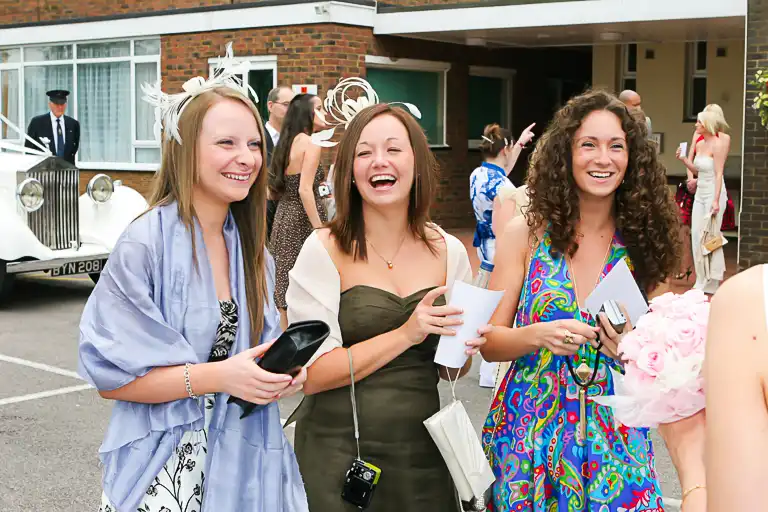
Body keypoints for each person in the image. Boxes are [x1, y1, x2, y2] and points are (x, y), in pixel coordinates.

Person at [78, 58, 309, 512]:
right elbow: (111, 379)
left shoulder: (250, 248)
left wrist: (276, 373)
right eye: (226, 143)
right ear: (185, 151)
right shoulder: (145, 242)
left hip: (240, 458)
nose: (247, 158)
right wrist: (219, 377)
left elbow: (251, 353)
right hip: (163, 466)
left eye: (254, 144)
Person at [481, 89, 681, 511]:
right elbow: (489, 341)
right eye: (588, 144)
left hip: (617, 443)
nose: (603, 159)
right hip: (529, 437)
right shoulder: (525, 234)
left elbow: (667, 359)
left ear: (632, 158)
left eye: (616, 146)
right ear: (565, 154)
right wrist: (538, 335)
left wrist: (631, 348)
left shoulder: (647, 241)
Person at [285, 100, 489, 511]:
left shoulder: (449, 251)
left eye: (394, 149)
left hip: (423, 456)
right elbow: (314, 375)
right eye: (364, 152)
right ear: (349, 171)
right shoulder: (323, 249)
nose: (380, 161)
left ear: (416, 163)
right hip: (339, 457)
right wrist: (406, 334)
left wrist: (464, 346)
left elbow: (452, 371)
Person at [269, 93, 329, 329]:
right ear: (307, 114)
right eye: (320, 108)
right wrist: (319, 230)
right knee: (308, 280)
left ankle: (283, 337)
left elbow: (274, 190)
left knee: (284, 280)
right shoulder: (312, 143)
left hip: (284, 215)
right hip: (302, 220)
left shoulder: (287, 143)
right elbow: (305, 189)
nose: (324, 113)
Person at [675, 110, 728, 294]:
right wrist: (683, 159)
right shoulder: (699, 143)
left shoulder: (718, 144)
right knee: (697, 235)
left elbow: (719, 173)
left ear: (707, 124)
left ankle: (713, 279)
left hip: (714, 191)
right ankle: (700, 278)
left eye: (699, 122)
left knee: (711, 236)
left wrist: (716, 200)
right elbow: (697, 170)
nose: (696, 124)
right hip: (700, 193)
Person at [470, 122, 535, 265]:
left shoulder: (477, 174)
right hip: (499, 250)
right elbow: (508, 228)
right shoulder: (505, 186)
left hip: (483, 246)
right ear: (505, 150)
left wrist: (520, 143)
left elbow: (501, 173)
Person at [265, 85, 296, 239]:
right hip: (263, 214)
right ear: (270, 106)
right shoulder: (257, 136)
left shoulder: (295, 140)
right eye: (286, 105)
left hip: (287, 219)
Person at [25, 89, 80, 165]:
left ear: (65, 104)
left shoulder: (73, 124)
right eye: (56, 104)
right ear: (50, 104)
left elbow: (74, 149)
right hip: (44, 169)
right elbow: (29, 149)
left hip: (66, 169)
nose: (60, 107)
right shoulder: (37, 123)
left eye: (62, 104)